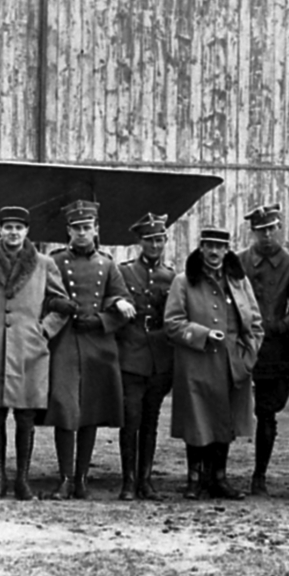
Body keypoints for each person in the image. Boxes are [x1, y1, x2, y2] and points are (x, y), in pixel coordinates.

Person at [0, 205, 72, 502]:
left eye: (19, 227)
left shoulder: (43, 264)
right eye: (7, 227)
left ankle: (22, 480)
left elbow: (61, 303)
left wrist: (44, 331)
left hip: (29, 349)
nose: (13, 232)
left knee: (25, 416)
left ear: (27, 231)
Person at [164, 226, 264, 500]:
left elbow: (255, 324)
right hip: (195, 365)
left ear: (227, 249)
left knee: (224, 420)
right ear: (201, 247)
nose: (214, 252)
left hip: (232, 366)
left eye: (220, 247)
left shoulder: (239, 282)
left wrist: (248, 357)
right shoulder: (184, 282)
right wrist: (203, 334)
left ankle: (219, 478)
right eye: (209, 246)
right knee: (197, 422)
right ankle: (194, 479)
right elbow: (172, 323)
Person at [44, 201, 133, 500]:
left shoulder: (108, 265)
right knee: (65, 407)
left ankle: (81, 480)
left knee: (91, 410)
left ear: (96, 230)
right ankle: (65, 478)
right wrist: (57, 305)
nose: (82, 233)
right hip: (65, 341)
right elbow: (41, 296)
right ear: (68, 231)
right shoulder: (53, 261)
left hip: (97, 344)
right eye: (77, 228)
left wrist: (101, 320)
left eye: (87, 228)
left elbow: (123, 303)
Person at [237, 203, 289, 496]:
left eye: (271, 229)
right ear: (252, 232)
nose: (267, 236)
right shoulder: (240, 262)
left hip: (274, 349)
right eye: (260, 230)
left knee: (268, 412)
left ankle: (260, 474)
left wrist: (282, 327)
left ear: (279, 229)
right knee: (229, 408)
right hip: (242, 346)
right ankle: (215, 473)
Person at [117, 213, 176, 501]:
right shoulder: (124, 272)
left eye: (159, 239)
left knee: (151, 421)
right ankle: (128, 481)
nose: (155, 244)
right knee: (131, 419)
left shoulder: (172, 277)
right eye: (150, 239)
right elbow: (109, 298)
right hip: (131, 352)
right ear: (140, 242)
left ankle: (146, 480)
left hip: (160, 356)